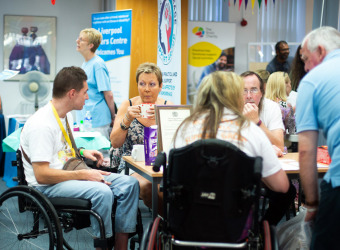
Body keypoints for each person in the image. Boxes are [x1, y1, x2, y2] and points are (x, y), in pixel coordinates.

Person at [20, 66, 139, 250]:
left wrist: (82, 152)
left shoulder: (62, 115)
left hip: (67, 172)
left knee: (129, 184)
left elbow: (59, 149)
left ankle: (120, 246)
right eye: (85, 92)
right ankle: (103, 245)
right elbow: (42, 175)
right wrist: (83, 174)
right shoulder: (42, 124)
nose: (88, 97)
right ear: (72, 93)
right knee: (102, 192)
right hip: (46, 185)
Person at [172, 71, 295, 225]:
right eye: (243, 91)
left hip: (190, 221)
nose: (247, 95)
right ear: (235, 96)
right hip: (235, 222)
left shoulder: (183, 129)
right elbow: (282, 186)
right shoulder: (251, 131)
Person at [296, 26, 340, 250]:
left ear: (320, 51)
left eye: (305, 59)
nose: (305, 67)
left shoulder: (313, 81)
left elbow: (306, 151)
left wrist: (312, 204)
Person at [110, 62, 173, 211]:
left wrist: (161, 119)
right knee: (148, 186)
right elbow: (115, 143)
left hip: (158, 164)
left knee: (172, 187)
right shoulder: (128, 105)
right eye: (142, 84)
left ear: (160, 86)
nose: (146, 89)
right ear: (137, 85)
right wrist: (127, 119)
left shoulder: (166, 105)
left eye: (152, 84)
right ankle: (166, 225)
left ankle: (166, 225)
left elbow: (174, 142)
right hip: (131, 165)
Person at [76, 28, 115, 140]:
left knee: (99, 154)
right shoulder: (86, 63)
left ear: (90, 45)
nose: (77, 41)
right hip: (87, 118)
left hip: (98, 120)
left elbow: (109, 94)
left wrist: (113, 116)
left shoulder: (98, 64)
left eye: (81, 39)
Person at [241, 71, 285, 152]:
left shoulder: (272, 107)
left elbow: (280, 146)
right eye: (244, 90)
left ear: (262, 93)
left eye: (254, 90)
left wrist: (257, 122)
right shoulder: (230, 108)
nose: (249, 96)